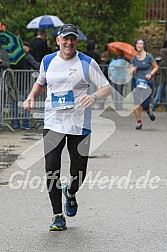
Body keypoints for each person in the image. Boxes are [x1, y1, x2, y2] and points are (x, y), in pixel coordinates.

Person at [23, 24, 111, 231]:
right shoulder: (47, 60)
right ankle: (57, 215)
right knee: (51, 170)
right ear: (58, 41)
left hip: (79, 125)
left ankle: (70, 194)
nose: (69, 42)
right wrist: (31, 96)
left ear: (76, 41)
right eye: (65, 39)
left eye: (72, 39)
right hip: (53, 123)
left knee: (78, 172)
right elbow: (41, 82)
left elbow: (106, 87)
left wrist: (93, 96)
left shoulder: (87, 63)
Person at [130, 38, 159, 129]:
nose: (139, 45)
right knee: (136, 102)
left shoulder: (149, 56)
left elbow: (156, 67)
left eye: (141, 43)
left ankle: (148, 109)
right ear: (135, 45)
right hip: (136, 81)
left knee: (145, 103)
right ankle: (139, 122)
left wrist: (150, 74)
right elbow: (130, 70)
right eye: (137, 43)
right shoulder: (133, 59)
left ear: (144, 45)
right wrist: (132, 70)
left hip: (147, 82)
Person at [11, 41, 40, 129]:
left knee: (15, 103)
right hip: (23, 83)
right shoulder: (27, 56)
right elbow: (36, 65)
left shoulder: (13, 56)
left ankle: (16, 123)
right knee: (25, 103)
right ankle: (25, 123)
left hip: (15, 83)